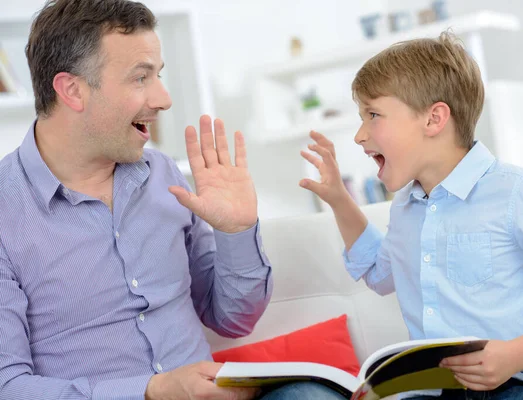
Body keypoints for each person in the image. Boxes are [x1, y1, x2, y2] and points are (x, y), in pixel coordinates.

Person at [0, 1, 346, 399]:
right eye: (141, 78)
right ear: (73, 90)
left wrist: (236, 231)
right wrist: (151, 391)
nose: (163, 98)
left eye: (158, 75)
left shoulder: (162, 175)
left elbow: (232, 318)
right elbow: (9, 386)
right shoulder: (8, 212)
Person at [300, 32, 523, 400]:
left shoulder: (518, 192)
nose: (359, 135)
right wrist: (338, 199)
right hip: (436, 392)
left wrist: (513, 355)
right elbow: (381, 274)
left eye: (373, 115)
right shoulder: (405, 207)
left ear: (434, 119)